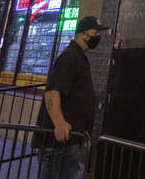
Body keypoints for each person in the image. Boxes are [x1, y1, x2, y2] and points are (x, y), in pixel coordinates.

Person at [36, 16, 108, 179]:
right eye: (95, 33)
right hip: (61, 144)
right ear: (83, 35)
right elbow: (52, 92)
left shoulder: (79, 57)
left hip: (71, 141)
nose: (98, 37)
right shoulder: (69, 57)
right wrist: (59, 123)